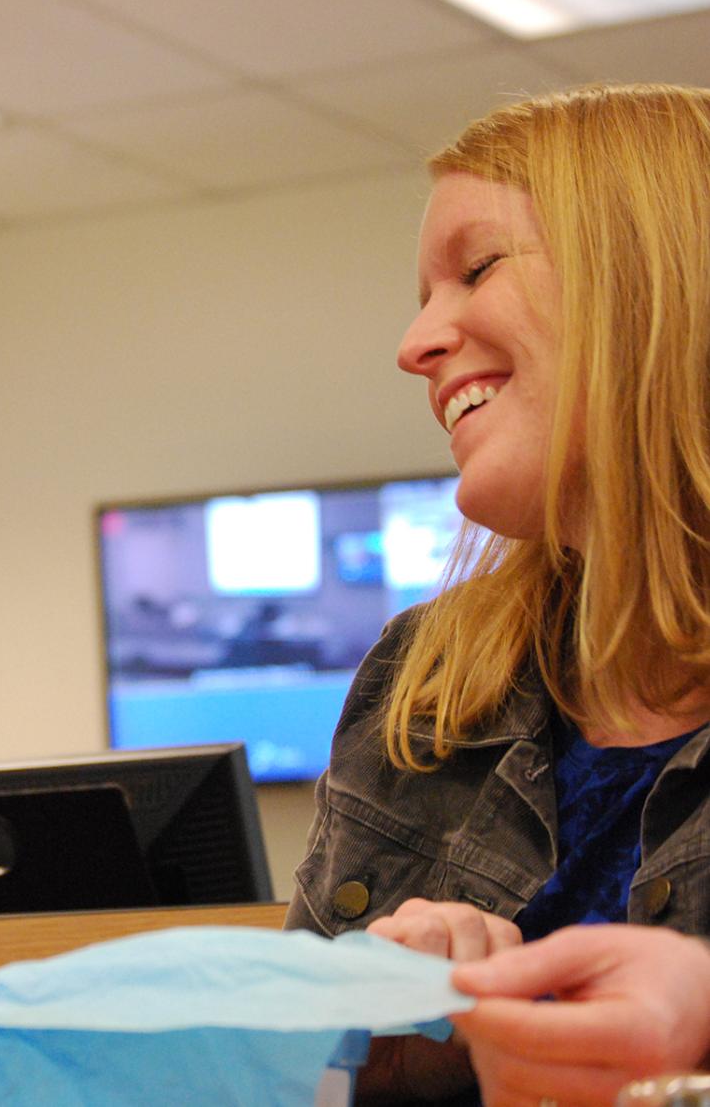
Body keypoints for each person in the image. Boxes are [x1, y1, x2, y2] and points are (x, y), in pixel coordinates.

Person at [284, 83, 710, 1104]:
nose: (415, 345)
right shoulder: (421, 677)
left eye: (476, 268)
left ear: (655, 279)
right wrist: (397, 1047)